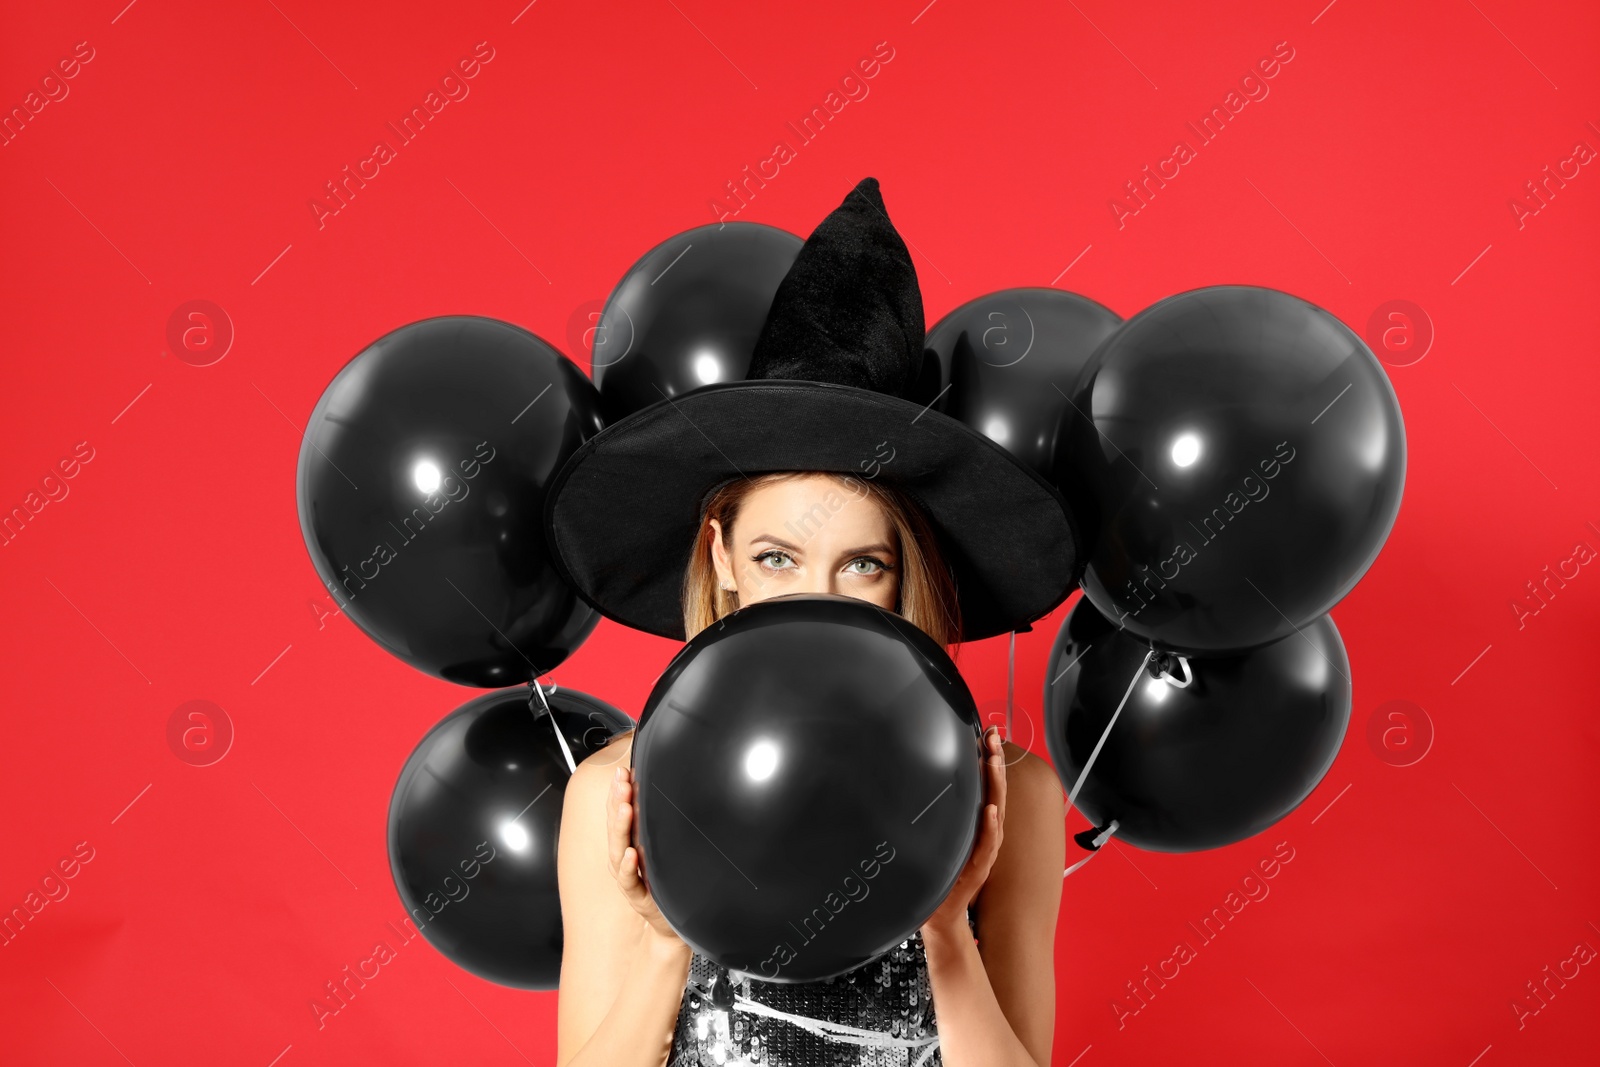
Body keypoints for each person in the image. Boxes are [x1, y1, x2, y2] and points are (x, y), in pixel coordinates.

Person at [544, 178, 1080, 1067]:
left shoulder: (1010, 795)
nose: (817, 600)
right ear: (720, 559)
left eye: (862, 565)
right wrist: (669, 935)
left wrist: (947, 927)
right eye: (776, 558)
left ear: (907, 573)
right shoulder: (617, 792)